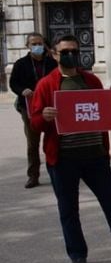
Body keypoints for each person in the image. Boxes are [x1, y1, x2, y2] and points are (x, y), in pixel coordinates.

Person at [29, 34, 111, 263]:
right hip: (63, 159)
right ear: (54, 54)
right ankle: (77, 255)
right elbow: (35, 123)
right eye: (64, 51)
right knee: (68, 210)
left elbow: (103, 110)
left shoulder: (91, 81)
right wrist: (44, 117)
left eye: (74, 50)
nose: (70, 55)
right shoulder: (46, 84)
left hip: (95, 156)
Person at [8, 32, 58, 188]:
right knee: (32, 142)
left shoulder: (51, 63)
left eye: (40, 43)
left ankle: (58, 172)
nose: (37, 47)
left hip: (50, 106)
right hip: (28, 107)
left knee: (55, 138)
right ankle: (33, 175)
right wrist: (22, 90)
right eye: (34, 44)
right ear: (28, 46)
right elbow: (13, 83)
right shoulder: (21, 64)